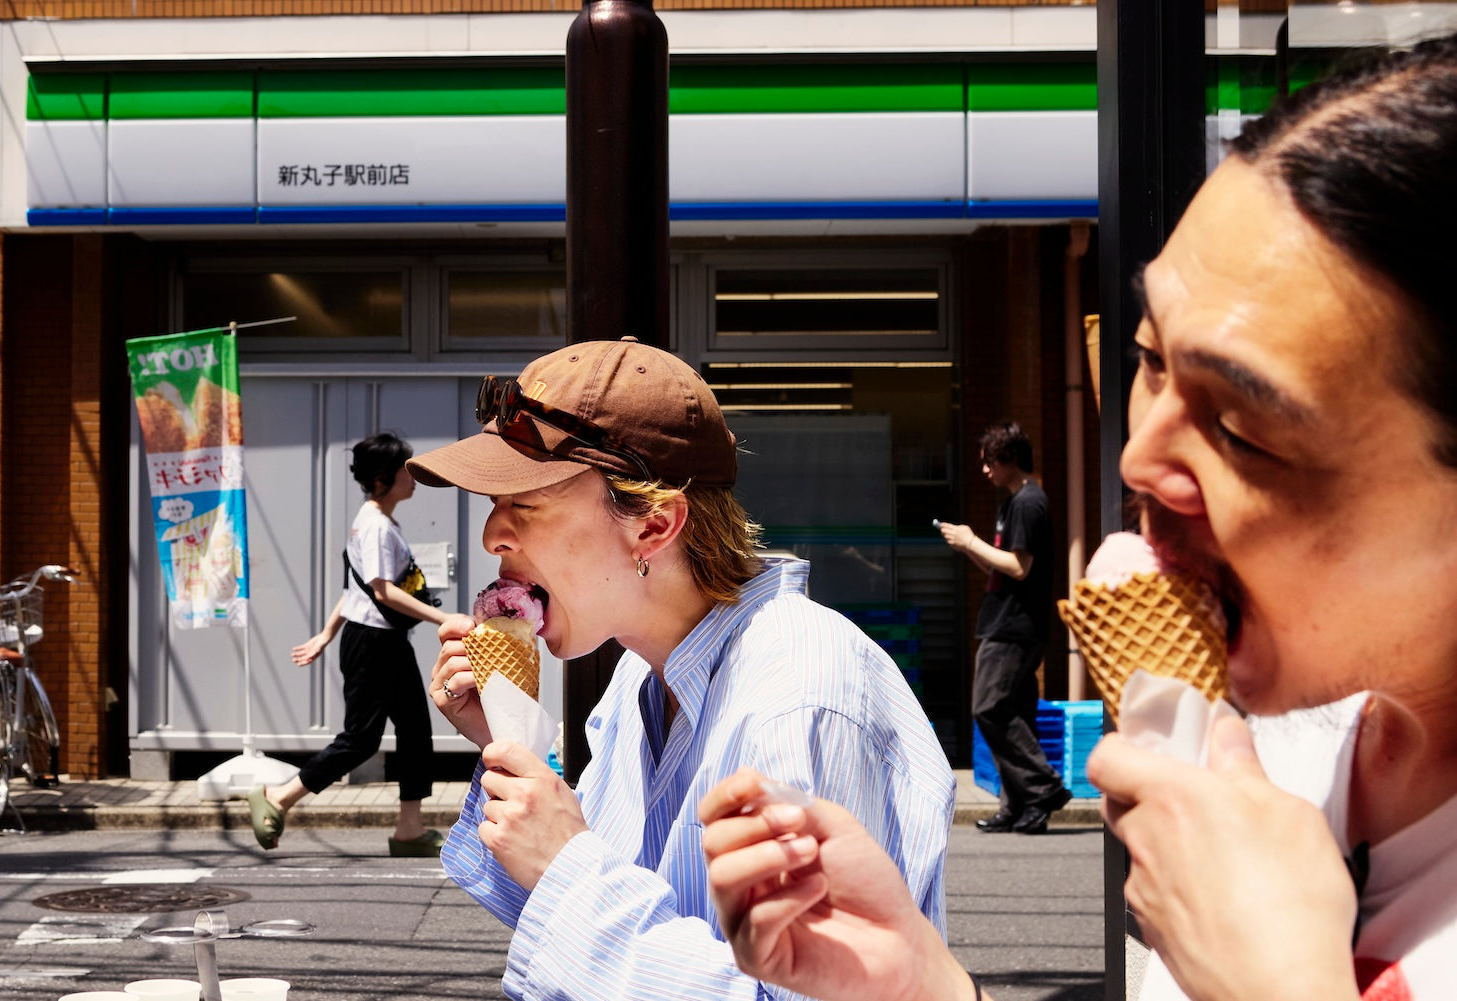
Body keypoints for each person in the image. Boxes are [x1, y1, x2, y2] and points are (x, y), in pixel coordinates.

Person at [700, 32, 1457, 1001]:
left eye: (1242, 427)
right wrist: (923, 982)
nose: (1140, 458)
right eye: (1151, 358)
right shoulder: (1270, 740)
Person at [409, 336, 956, 1000]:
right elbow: (574, 937)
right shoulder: (638, 674)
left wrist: (569, 866)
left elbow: (804, 993)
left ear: (653, 525)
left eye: (524, 505)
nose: (492, 534)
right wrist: (507, 740)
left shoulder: (800, 697)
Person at [247, 432, 467, 857]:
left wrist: (326, 635)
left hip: (383, 640)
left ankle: (409, 829)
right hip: (372, 643)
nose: (412, 476)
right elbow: (382, 591)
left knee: (415, 731)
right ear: (383, 479)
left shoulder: (376, 522)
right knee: (361, 739)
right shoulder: (375, 526)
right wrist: (445, 618)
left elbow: (355, 590)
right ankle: (279, 797)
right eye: (405, 469)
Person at [937, 422, 1070, 834]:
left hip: (1014, 625)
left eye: (989, 462)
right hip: (1009, 620)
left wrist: (971, 540)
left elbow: (1019, 567)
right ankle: (1020, 807)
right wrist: (968, 548)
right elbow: (1002, 567)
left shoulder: (1029, 503)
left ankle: (1045, 787)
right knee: (1016, 713)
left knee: (989, 707)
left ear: (1008, 458)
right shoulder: (1013, 502)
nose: (985, 470)